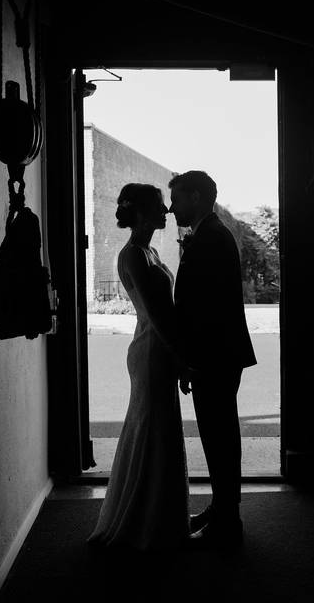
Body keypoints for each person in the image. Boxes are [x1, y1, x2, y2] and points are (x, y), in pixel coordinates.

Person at [87, 183, 189, 551]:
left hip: (156, 348)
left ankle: (160, 517)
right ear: (143, 213)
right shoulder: (132, 255)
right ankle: (141, 522)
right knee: (151, 431)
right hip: (151, 350)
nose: (167, 212)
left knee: (159, 431)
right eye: (160, 207)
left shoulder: (151, 250)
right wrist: (182, 360)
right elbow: (159, 315)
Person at [169, 170, 256, 550]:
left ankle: (228, 520)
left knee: (219, 436)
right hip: (219, 353)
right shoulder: (211, 234)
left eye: (177, 199)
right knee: (219, 435)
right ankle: (222, 509)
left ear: (197, 197)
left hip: (213, 356)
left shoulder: (210, 239)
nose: (172, 208)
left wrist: (191, 360)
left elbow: (204, 310)